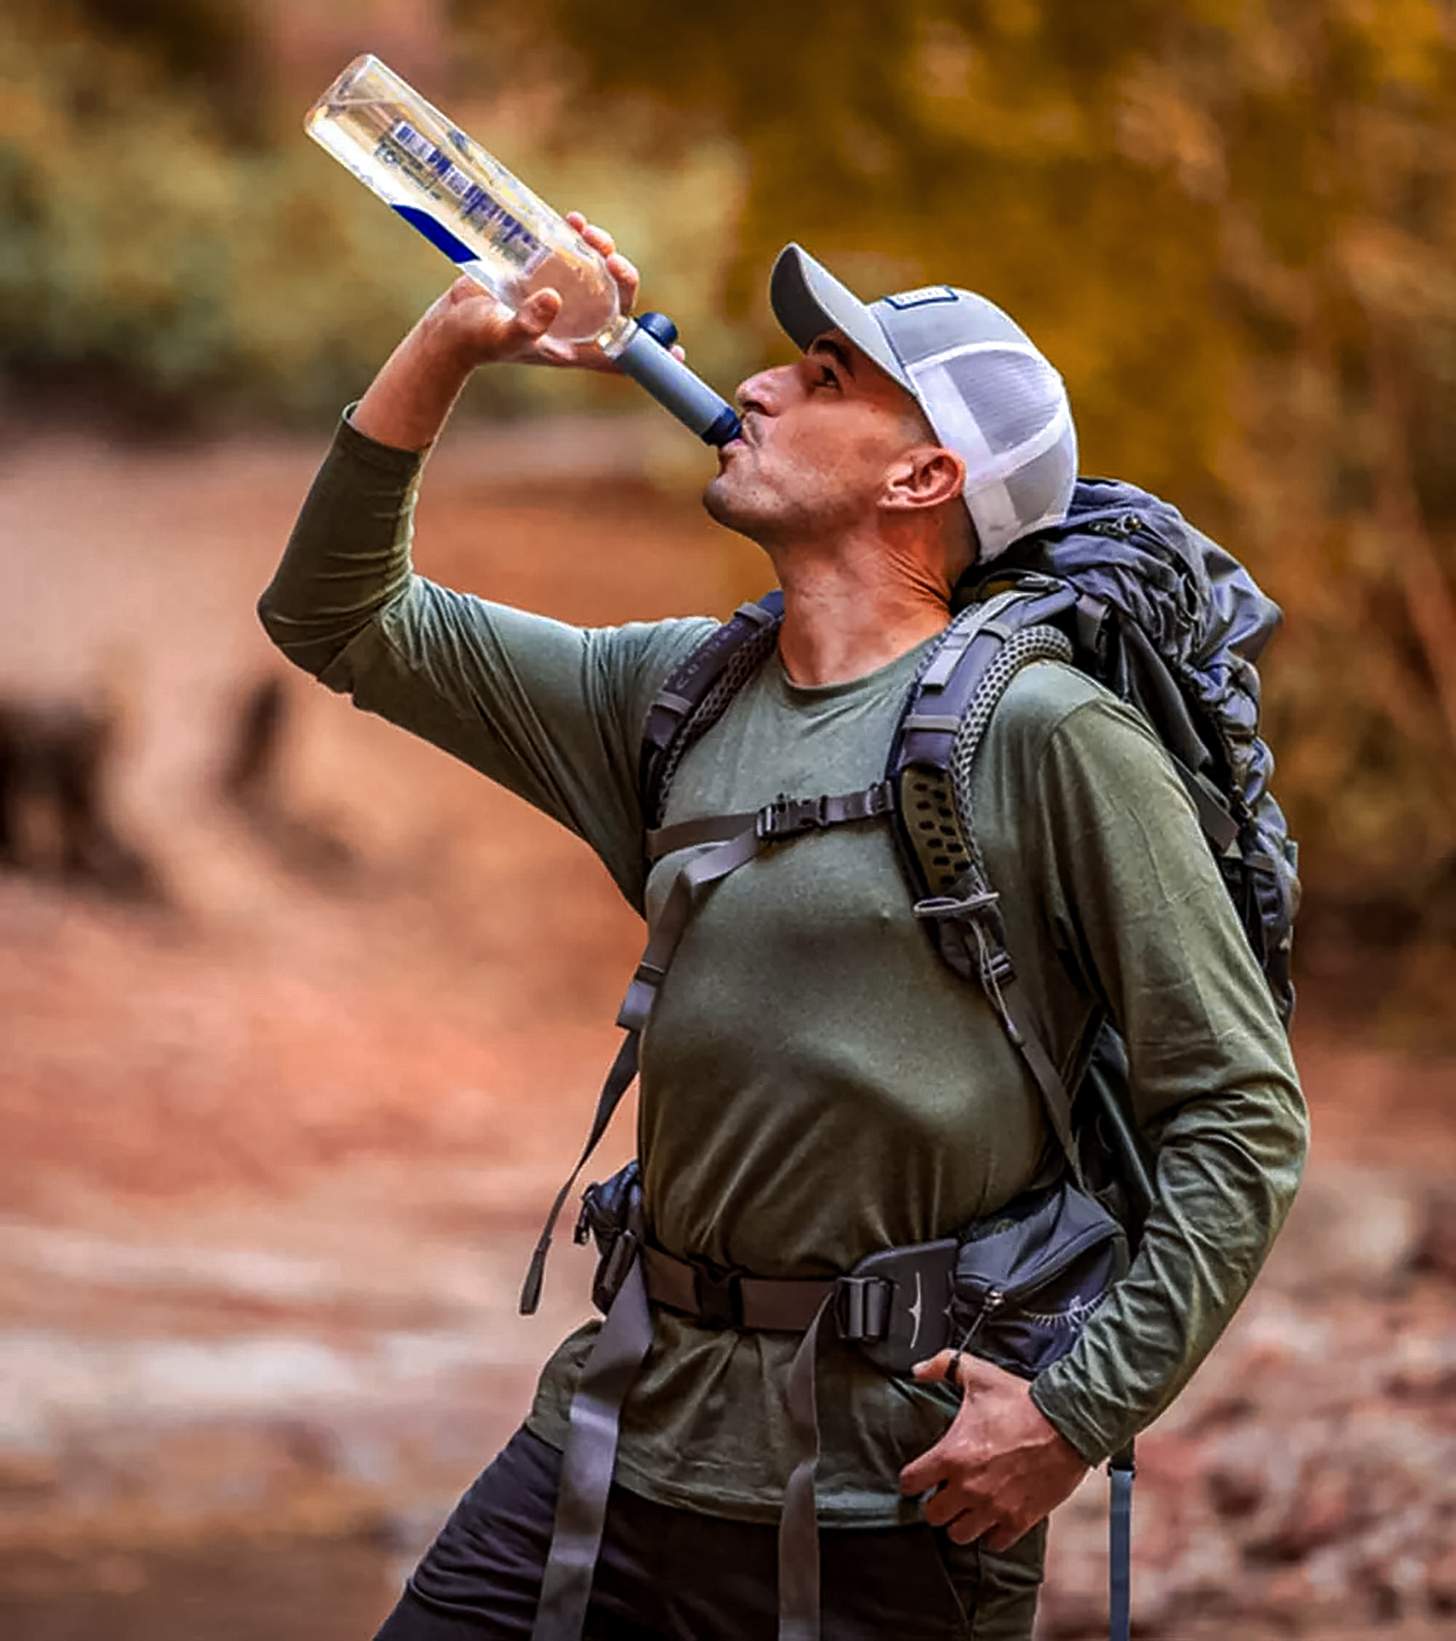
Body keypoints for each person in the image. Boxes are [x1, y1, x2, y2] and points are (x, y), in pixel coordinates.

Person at [257, 215, 1308, 1641]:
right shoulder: (674, 689)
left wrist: (1072, 1414)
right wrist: (453, 342)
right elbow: (337, 612)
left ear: (924, 474)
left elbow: (1240, 1115)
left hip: (900, 1493)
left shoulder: (1052, 736)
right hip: (621, 1436)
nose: (756, 385)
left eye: (824, 377)